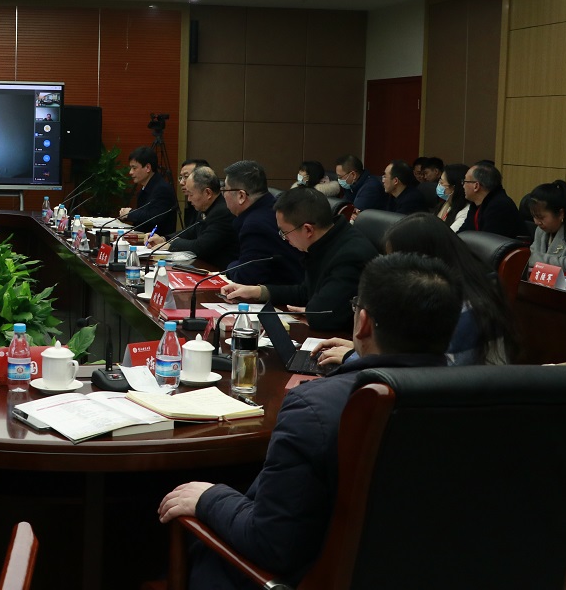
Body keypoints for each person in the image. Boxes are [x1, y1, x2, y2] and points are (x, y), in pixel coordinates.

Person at [159, 252, 460, 589]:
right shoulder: (479, 400)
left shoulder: (314, 408)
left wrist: (209, 498)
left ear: (362, 322)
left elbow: (271, 545)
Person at [314, 212, 515, 367]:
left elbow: (433, 377)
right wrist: (367, 347)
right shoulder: (448, 292)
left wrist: (356, 357)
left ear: (421, 261)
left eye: (396, 260)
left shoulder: (468, 308)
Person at [224, 186, 377, 331]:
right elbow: (305, 292)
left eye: (284, 232)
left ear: (308, 229)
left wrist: (310, 311)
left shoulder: (350, 256)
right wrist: (257, 292)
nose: (284, 238)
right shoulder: (324, 242)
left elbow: (322, 315)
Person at [219, 160, 302, 287]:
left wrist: (230, 265)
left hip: (286, 294)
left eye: (225, 189)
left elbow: (246, 277)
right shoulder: (272, 206)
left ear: (241, 196)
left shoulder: (255, 226)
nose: (223, 194)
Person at [151, 166, 238, 269]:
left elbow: (201, 247)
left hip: (219, 270)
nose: (188, 199)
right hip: (204, 266)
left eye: (191, 194)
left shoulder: (222, 212)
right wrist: (164, 239)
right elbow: (191, 231)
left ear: (208, 193)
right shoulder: (206, 207)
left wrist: (171, 245)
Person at [117, 145, 178, 237]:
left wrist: (130, 213)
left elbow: (154, 217)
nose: (130, 172)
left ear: (148, 168)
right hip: (144, 238)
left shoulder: (162, 189)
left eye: (134, 168)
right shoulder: (146, 188)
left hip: (157, 241)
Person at [525, 180, 566, 280]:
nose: (536, 222)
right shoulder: (540, 230)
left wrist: (535, 259)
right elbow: (530, 255)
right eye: (534, 216)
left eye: (541, 217)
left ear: (561, 214)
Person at [460, 162, 522, 238]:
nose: (463, 186)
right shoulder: (476, 204)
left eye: (465, 182)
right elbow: (463, 233)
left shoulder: (500, 206)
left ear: (476, 186)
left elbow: (487, 241)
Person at [435, 162, 471, 232]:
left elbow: (448, 236)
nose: (439, 185)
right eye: (439, 181)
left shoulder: (465, 212)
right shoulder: (446, 204)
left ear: (454, 188)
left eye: (442, 183)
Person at [177, 158, 211, 228]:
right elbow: (190, 231)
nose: (181, 183)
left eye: (186, 176)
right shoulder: (191, 205)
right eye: (181, 177)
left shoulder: (214, 210)